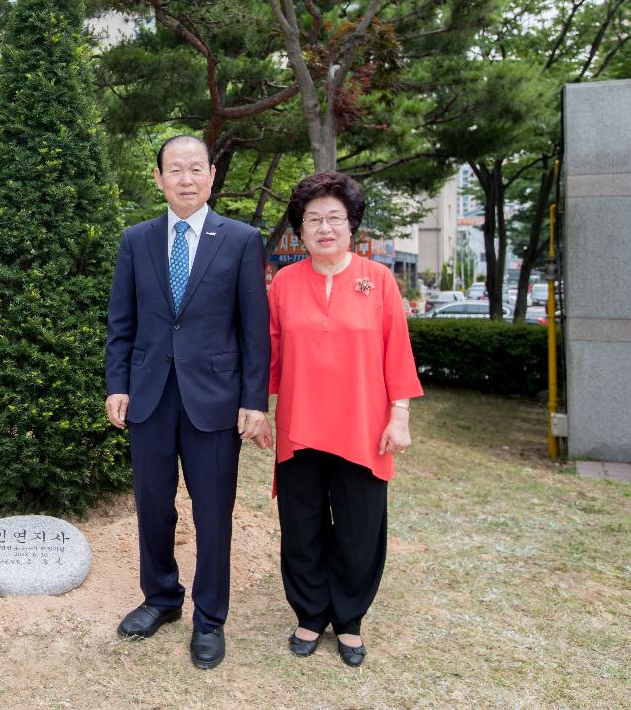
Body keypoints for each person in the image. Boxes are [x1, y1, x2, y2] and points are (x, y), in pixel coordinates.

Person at [104, 134, 271, 670]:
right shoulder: (136, 240)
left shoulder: (242, 240)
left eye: (195, 168)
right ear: (158, 178)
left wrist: (254, 399)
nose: (185, 178)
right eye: (174, 169)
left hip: (216, 401)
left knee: (214, 512)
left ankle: (210, 618)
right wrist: (118, 384)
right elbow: (121, 324)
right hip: (150, 397)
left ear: (211, 175)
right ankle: (160, 599)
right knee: (153, 506)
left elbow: (255, 331)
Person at [267, 171, 422, 667]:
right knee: (302, 526)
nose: (325, 227)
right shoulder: (284, 284)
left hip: (362, 428)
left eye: (335, 217)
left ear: (352, 224)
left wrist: (399, 416)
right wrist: (256, 408)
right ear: (301, 230)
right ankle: (310, 614)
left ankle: (349, 620)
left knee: (359, 532)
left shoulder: (377, 280)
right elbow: (268, 355)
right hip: (300, 426)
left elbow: (397, 351)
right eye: (314, 219)